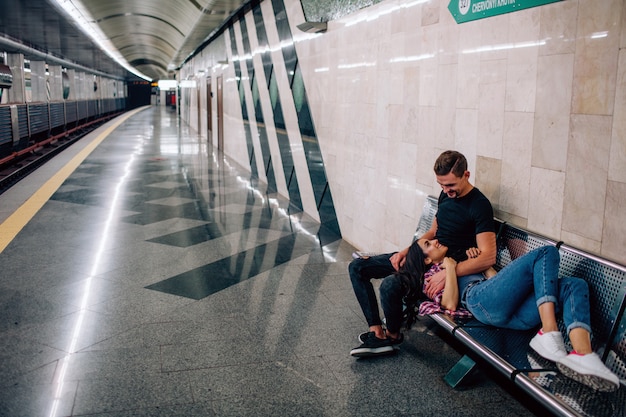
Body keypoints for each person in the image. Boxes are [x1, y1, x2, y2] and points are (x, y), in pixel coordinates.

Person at [411, 237, 620, 392]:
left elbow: (498, 280)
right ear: (427, 260)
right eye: (428, 244)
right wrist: (449, 267)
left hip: (508, 312)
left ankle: (582, 353)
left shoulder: (460, 263)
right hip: (479, 301)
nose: (435, 241)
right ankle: (548, 332)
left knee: (574, 285)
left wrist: (485, 268)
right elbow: (449, 304)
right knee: (546, 252)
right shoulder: (432, 275)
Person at [349, 150, 497, 356]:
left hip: (440, 268)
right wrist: (407, 250)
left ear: (466, 175)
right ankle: (376, 332)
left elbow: (488, 256)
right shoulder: (445, 196)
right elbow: (434, 231)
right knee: (358, 267)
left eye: (451, 185)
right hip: (425, 255)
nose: (446, 190)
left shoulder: (479, 205)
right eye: (442, 185)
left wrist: (448, 273)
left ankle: (392, 336)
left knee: (391, 284)